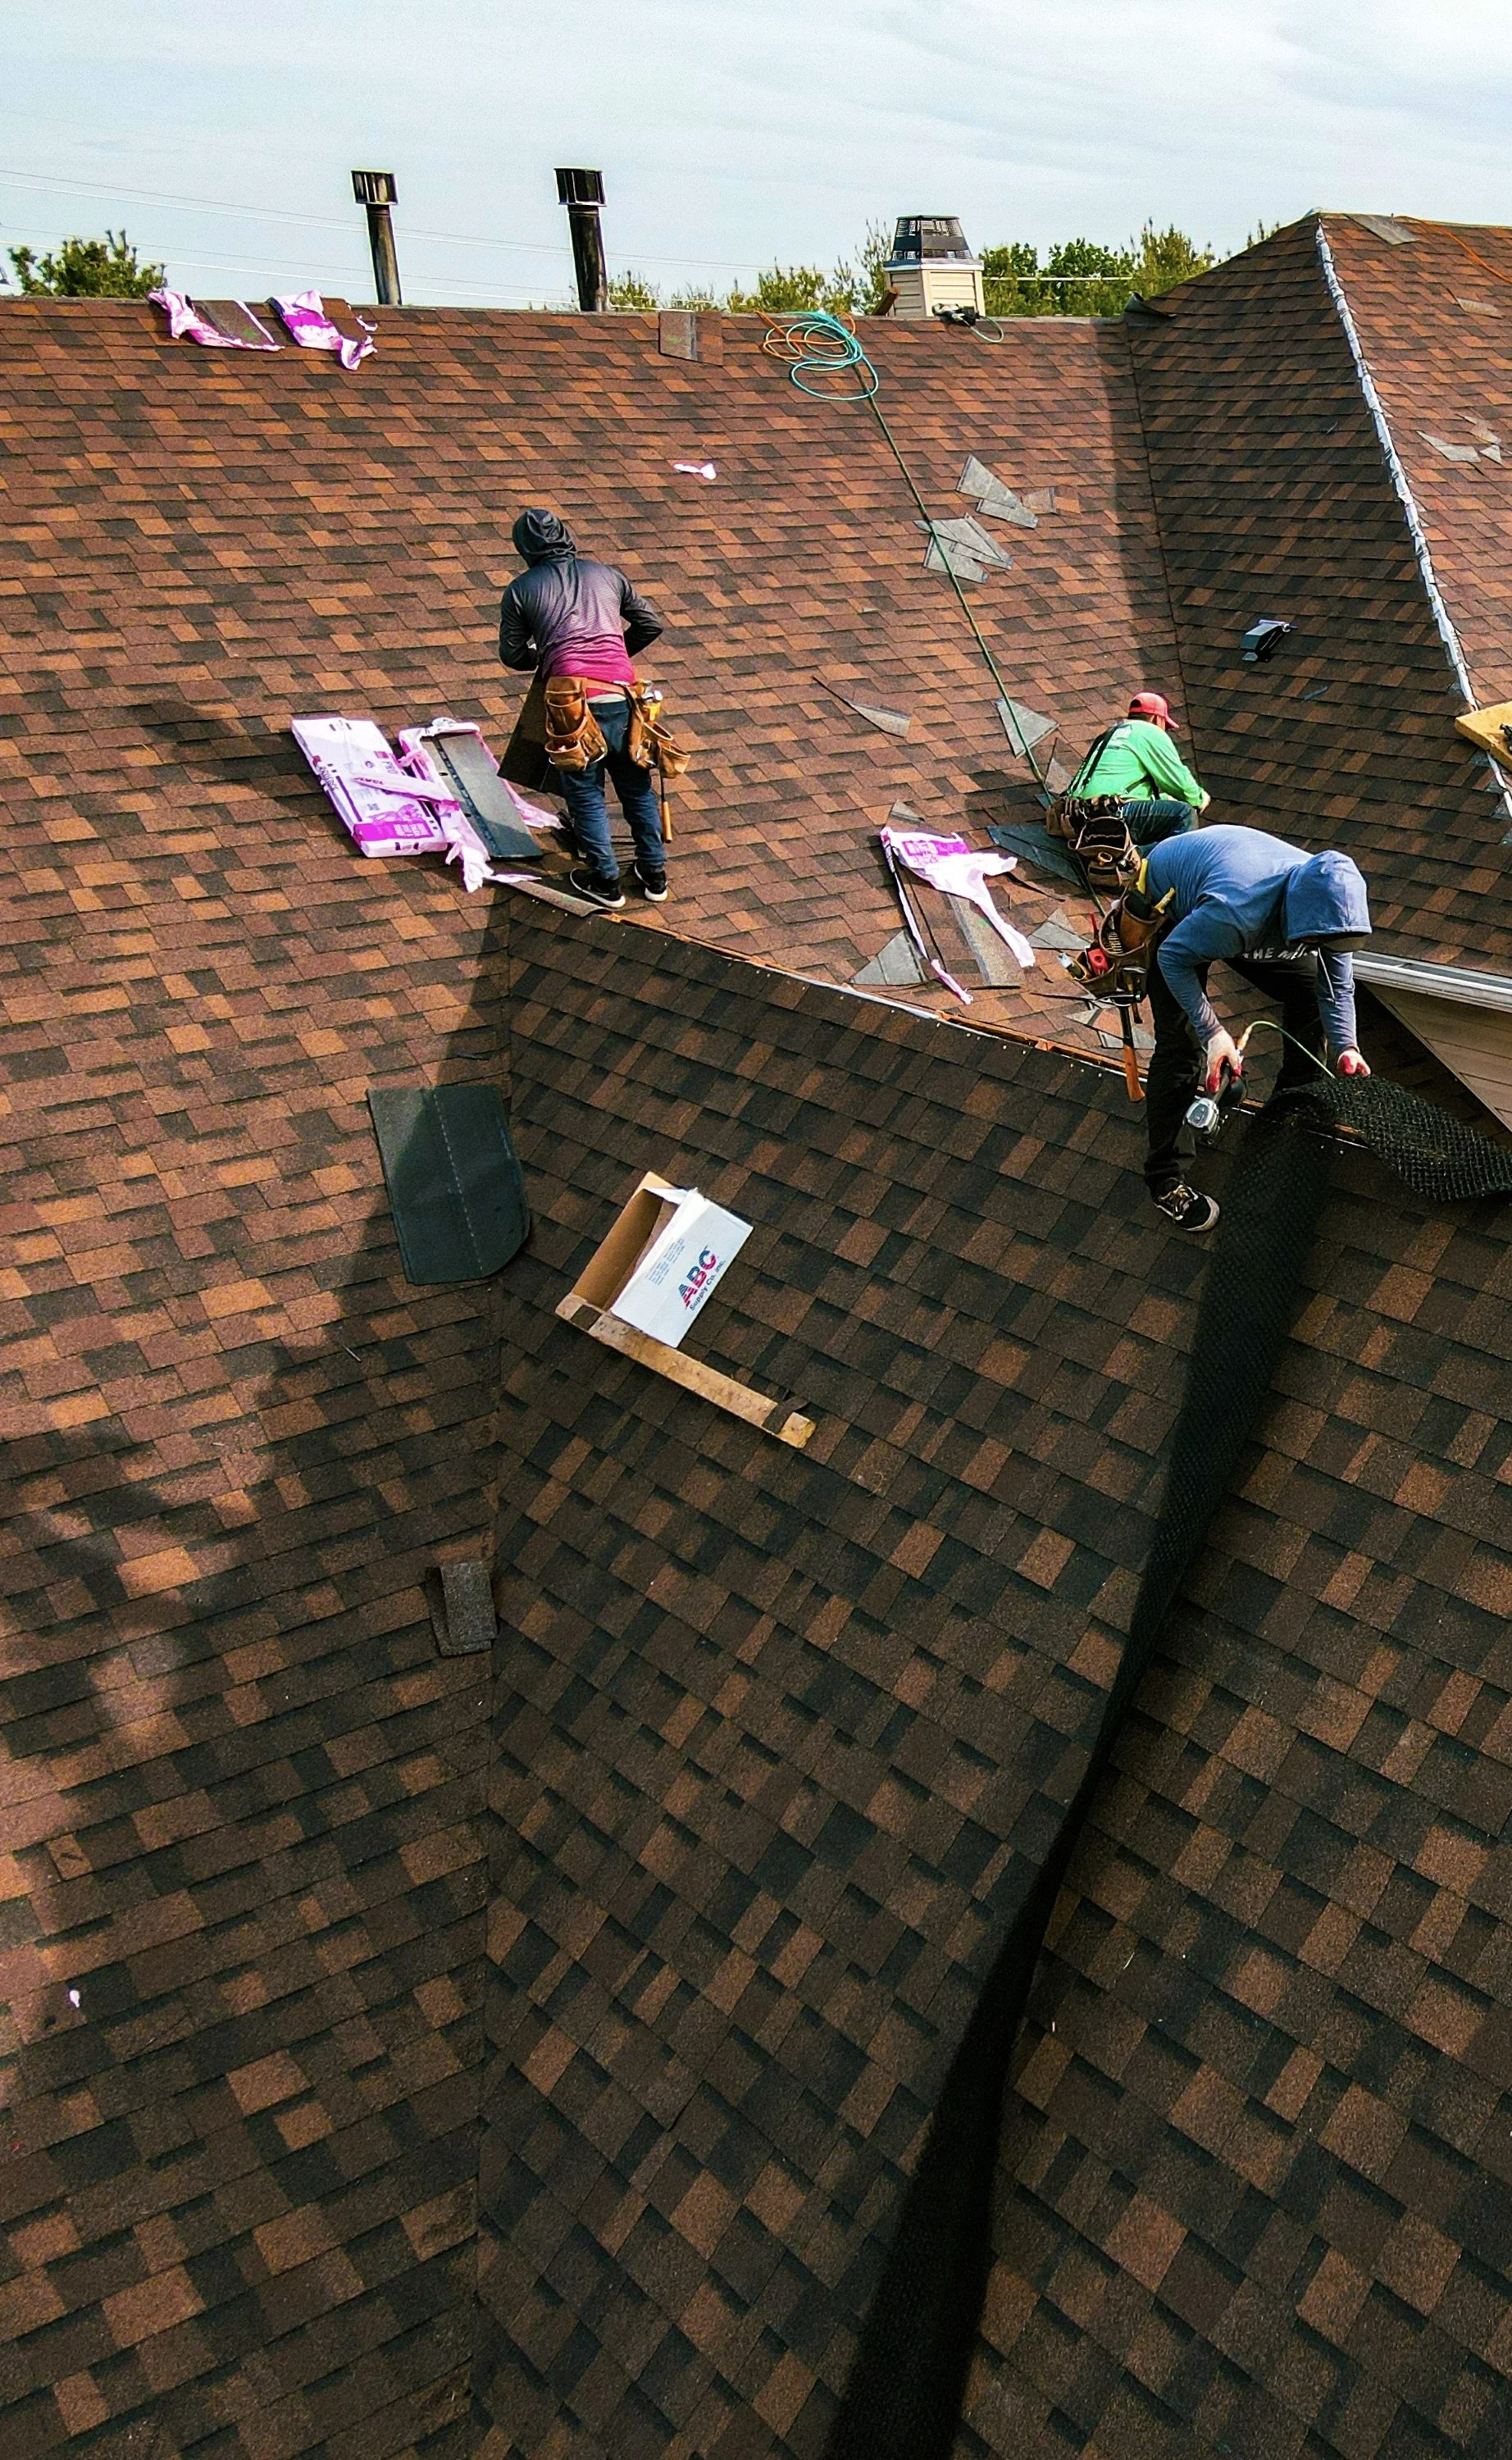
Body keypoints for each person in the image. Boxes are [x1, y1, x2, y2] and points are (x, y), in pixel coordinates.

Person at [1135, 825, 1372, 1232]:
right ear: (1299, 918)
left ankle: (1291, 1110)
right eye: (1316, 940)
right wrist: (1213, 1032)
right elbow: (1175, 958)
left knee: (1310, 994)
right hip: (1172, 908)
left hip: (1242, 917)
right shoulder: (1238, 911)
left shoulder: (1332, 906)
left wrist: (1347, 1046)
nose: (1324, 947)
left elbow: (1337, 987)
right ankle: (1165, 1180)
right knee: (1182, 1047)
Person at [499, 508, 667, 909]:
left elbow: (512, 654)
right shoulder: (607, 575)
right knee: (636, 787)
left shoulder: (522, 589)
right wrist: (611, 658)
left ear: (524, 548)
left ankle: (605, 882)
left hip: (572, 702)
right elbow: (650, 624)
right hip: (625, 697)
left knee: (586, 793)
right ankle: (654, 874)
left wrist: (555, 657)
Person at [1063, 691, 1211, 850]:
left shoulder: (1110, 734)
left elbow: (1125, 786)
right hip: (1112, 813)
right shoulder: (1150, 732)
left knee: (1163, 810)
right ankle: (1152, 864)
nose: (1165, 731)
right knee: (1184, 814)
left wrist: (1165, 798)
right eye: (1165, 726)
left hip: (1078, 815)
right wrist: (1200, 799)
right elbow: (1180, 783)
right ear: (1156, 719)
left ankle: (1138, 857)